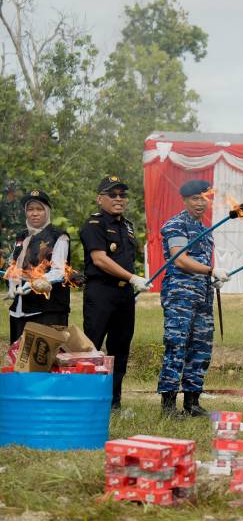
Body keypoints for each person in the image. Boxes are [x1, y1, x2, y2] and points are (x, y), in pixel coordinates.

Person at [155, 180, 230, 418]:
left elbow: (201, 262)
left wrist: (212, 278)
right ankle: (168, 406)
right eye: (195, 199)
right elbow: (180, 259)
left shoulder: (203, 228)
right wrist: (210, 271)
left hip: (202, 295)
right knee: (176, 346)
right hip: (180, 296)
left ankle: (192, 403)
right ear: (185, 200)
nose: (200, 203)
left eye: (203, 198)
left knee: (201, 349)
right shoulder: (176, 225)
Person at [79, 176, 149, 411]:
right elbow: (100, 260)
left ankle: (114, 401)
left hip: (124, 295)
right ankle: (87, 398)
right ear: (100, 199)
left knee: (120, 348)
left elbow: (126, 259)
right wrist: (132, 278)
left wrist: (133, 280)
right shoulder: (93, 225)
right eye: (113, 194)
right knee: (92, 346)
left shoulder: (127, 226)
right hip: (101, 293)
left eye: (122, 195)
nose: (119, 199)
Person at [6, 189, 71, 342]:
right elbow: (15, 264)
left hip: (47, 311)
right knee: (19, 361)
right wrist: (11, 285)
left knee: (42, 362)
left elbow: (58, 272)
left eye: (39, 209)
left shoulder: (58, 236)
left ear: (47, 211)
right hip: (19, 310)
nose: (34, 213)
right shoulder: (22, 235)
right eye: (30, 209)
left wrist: (30, 284)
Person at [0, 179, 22, 263]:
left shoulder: (21, 205)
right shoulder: (2, 206)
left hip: (20, 237)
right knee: (7, 259)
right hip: (7, 239)